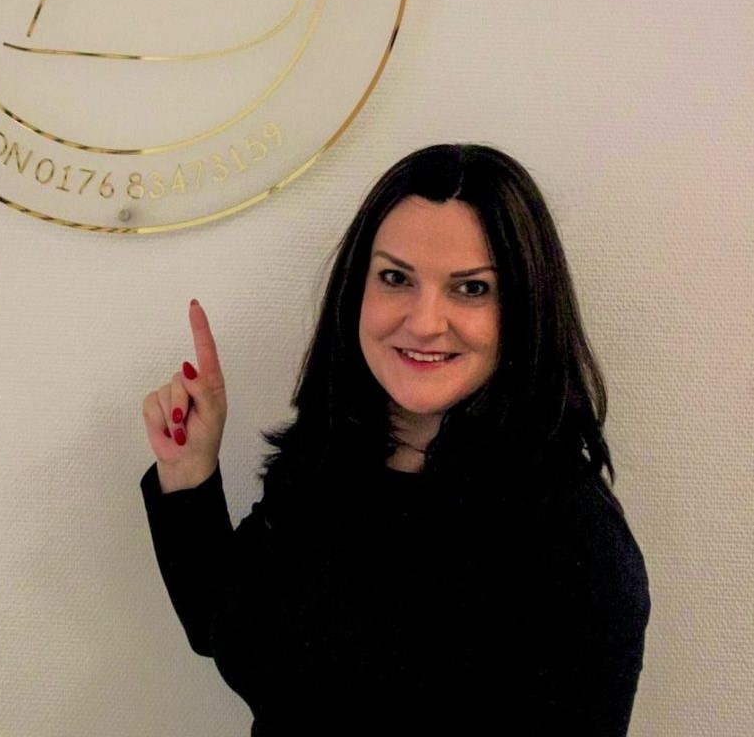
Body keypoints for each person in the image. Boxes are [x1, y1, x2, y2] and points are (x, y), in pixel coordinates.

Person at [140, 144, 651, 736]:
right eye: (396, 278)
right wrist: (189, 471)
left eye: (472, 289)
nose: (424, 321)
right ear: (356, 290)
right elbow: (228, 628)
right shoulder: (329, 463)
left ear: (526, 307)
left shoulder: (573, 540)